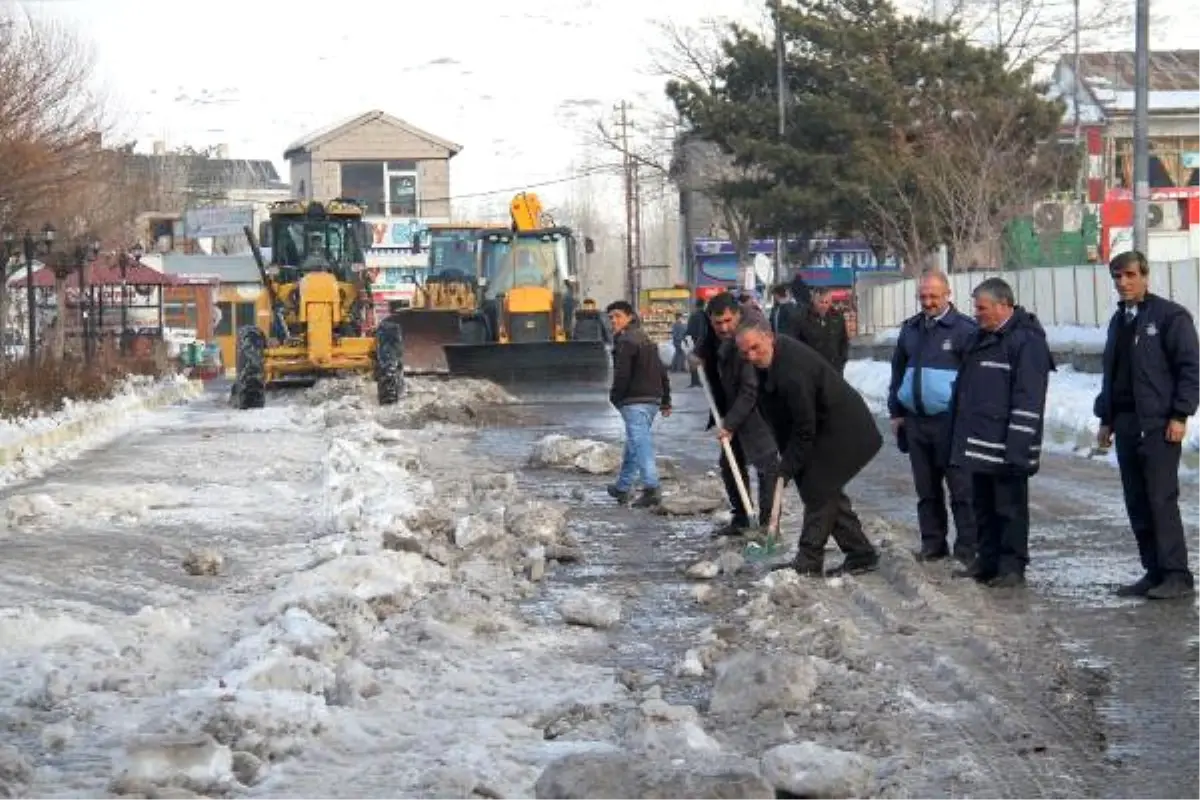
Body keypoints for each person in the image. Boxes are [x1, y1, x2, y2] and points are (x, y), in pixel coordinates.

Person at [735, 322, 882, 576]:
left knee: (818, 490)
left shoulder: (793, 371)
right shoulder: (768, 361)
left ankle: (809, 559)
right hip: (819, 428)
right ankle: (860, 553)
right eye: (745, 352)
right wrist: (787, 459)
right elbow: (780, 416)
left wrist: (788, 466)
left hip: (842, 428)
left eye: (755, 348)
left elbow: (805, 426)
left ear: (769, 337)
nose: (750, 356)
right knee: (827, 492)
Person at [1094, 250, 1200, 600]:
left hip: (1158, 425)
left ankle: (1176, 574)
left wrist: (1180, 414)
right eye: (1117, 277)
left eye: (1129, 275)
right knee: (1136, 500)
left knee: (1160, 499)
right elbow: (1113, 375)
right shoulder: (1118, 321)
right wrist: (1106, 418)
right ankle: (1153, 571)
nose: (1123, 283)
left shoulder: (1170, 317)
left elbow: (1190, 369)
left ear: (1145, 275)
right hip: (1126, 423)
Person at [948, 278, 1054, 588]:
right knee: (983, 505)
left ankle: (1012, 566)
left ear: (1003, 305)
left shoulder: (1027, 341)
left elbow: (1028, 397)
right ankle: (988, 560)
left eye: (981, 308)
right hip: (981, 444)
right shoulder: (980, 339)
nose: (976, 314)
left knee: (1009, 508)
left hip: (1009, 446)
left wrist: (1018, 446)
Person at [887, 270, 978, 564]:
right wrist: (896, 411)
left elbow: (976, 378)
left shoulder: (965, 330)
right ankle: (933, 545)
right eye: (923, 296)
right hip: (916, 422)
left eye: (933, 296)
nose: (927, 302)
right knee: (926, 491)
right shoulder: (911, 329)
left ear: (948, 295)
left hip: (951, 424)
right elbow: (898, 372)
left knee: (961, 491)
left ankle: (967, 548)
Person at [694, 291, 780, 537]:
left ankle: (768, 527)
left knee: (767, 465)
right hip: (732, 407)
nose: (723, 327)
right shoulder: (716, 331)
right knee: (730, 464)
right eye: (717, 322)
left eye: (728, 321)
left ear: (738, 316)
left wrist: (729, 424)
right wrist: (696, 355)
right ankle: (742, 517)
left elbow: (750, 390)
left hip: (761, 410)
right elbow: (705, 343)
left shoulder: (748, 338)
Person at [605, 300, 672, 508]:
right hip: (652, 400)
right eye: (610, 318)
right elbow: (661, 370)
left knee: (640, 444)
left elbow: (622, 374)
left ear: (630, 316)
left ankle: (651, 487)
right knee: (635, 443)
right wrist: (666, 399)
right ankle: (623, 487)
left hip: (634, 400)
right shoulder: (645, 339)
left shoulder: (626, 341)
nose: (613, 321)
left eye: (617, 316)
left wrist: (615, 397)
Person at [788, 287, 850, 373]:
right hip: (810, 370)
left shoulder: (838, 318)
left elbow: (844, 341)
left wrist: (841, 361)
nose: (824, 305)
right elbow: (795, 343)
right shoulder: (802, 318)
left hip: (833, 369)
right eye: (821, 302)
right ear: (813, 300)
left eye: (827, 302)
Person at [684, 298, 708, 387]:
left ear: (696, 305)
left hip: (693, 341)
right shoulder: (705, 316)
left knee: (693, 361)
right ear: (704, 305)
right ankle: (703, 381)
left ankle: (694, 381)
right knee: (703, 363)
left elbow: (689, 330)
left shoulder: (693, 315)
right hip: (703, 342)